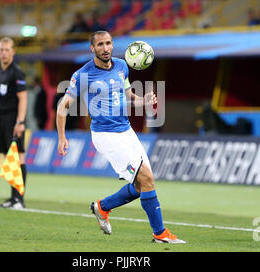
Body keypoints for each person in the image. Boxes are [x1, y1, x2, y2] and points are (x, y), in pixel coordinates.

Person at [56, 31, 185, 244]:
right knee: (146, 178)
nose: (105, 48)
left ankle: (102, 207)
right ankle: (160, 233)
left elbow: (126, 95)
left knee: (142, 184)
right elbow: (63, 106)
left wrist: (142, 100)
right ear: (92, 48)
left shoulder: (122, 66)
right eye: (100, 45)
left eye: (108, 43)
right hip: (106, 135)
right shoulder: (83, 75)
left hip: (126, 131)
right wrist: (61, 137)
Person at [0, 37, 28, 209]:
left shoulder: (16, 72)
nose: (4, 53)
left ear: (13, 51)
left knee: (18, 157)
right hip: (3, 119)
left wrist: (20, 122)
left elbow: (23, 98)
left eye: (7, 49)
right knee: (8, 159)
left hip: (14, 119)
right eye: (1, 49)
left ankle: (19, 199)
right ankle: (12, 198)